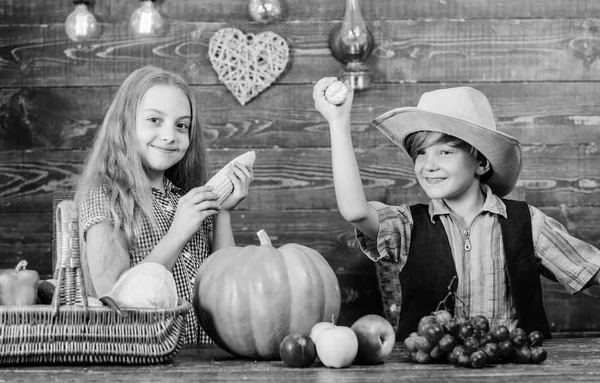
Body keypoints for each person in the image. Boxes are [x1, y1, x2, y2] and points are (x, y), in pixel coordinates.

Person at [313, 77, 600, 341]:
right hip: (428, 376)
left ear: (482, 163)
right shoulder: (407, 226)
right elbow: (354, 211)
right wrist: (338, 121)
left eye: (445, 152)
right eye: (421, 153)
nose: (429, 164)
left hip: (513, 373)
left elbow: (591, 270)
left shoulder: (528, 223)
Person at [75, 65, 253, 344]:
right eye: (155, 120)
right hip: (149, 355)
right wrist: (178, 233)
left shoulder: (183, 198)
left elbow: (225, 279)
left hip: (207, 355)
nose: (170, 135)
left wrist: (224, 212)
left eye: (181, 125)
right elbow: (114, 294)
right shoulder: (107, 197)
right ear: (125, 125)